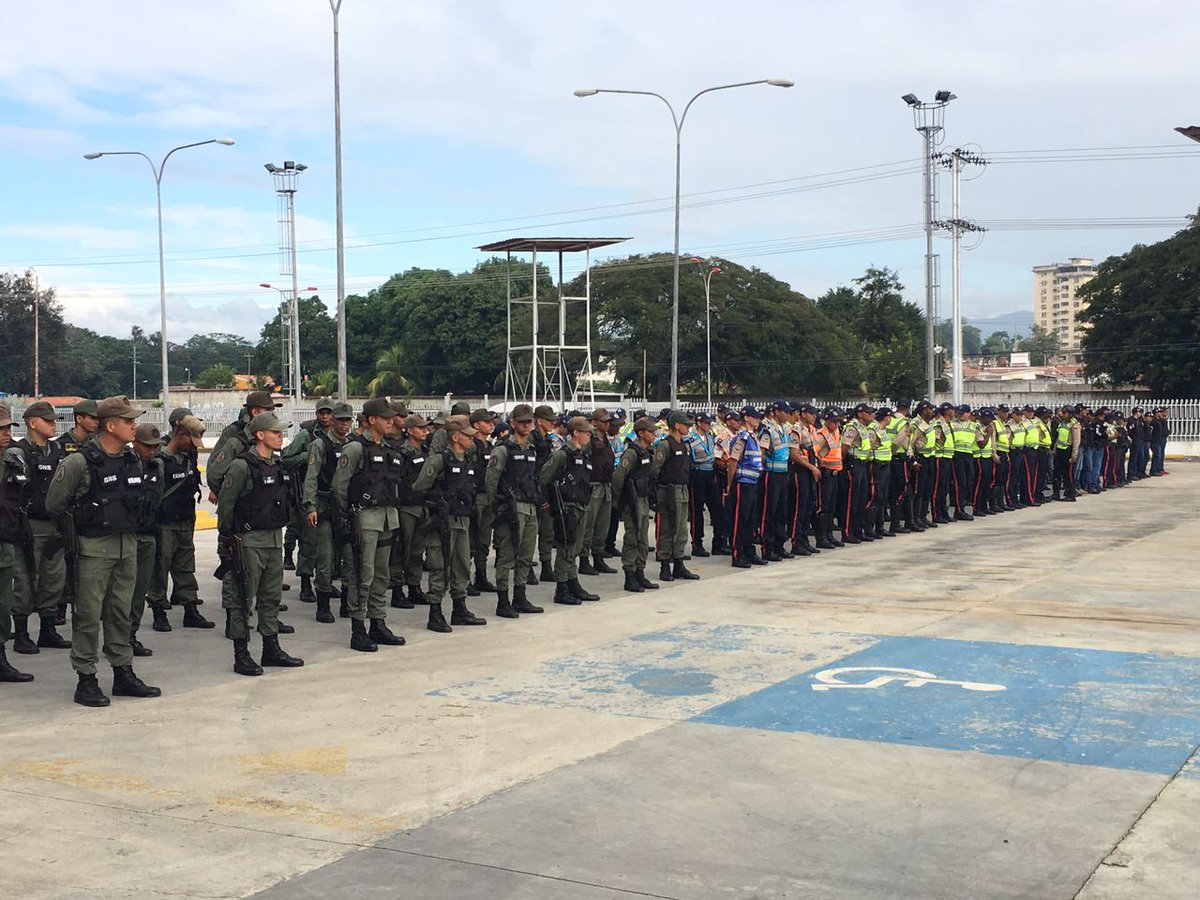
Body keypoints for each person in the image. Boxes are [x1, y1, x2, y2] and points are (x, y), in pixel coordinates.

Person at [45, 395, 161, 707]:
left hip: (127, 545)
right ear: (110, 425)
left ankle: (123, 673)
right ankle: (86, 678)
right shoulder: (78, 462)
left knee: (120, 613)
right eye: (128, 421)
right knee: (87, 615)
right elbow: (54, 503)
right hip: (93, 549)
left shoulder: (131, 459)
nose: (134, 425)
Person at [215, 412, 303, 676]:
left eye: (281, 432)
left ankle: (270, 648)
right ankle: (241, 654)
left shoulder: (277, 465)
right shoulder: (242, 466)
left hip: (274, 538)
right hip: (248, 540)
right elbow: (226, 506)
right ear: (260, 435)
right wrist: (228, 540)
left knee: (271, 597)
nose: (281, 436)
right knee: (242, 598)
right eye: (275, 432)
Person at [332, 397, 406, 652]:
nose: (391, 422)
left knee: (381, 576)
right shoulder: (355, 449)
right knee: (362, 576)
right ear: (371, 419)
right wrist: (348, 515)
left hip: (387, 518)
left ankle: (378, 622)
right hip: (364, 519)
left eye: (391, 418)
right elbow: (340, 486)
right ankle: (358, 628)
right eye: (386, 418)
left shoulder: (390, 449)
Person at [412, 415, 489, 630]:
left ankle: (459, 608)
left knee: (462, 566)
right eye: (467, 436)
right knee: (439, 567)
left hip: (462, 520)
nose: (471, 439)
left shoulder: (467, 460)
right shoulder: (439, 460)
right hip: (442, 523)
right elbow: (419, 487)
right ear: (455, 437)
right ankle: (435, 612)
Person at [11, 400, 71, 655]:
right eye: (48, 421)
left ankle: (47, 630)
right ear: (33, 423)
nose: (53, 425)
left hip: (55, 524)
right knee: (25, 581)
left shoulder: (58, 450)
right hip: (29, 525)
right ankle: (22, 634)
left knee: (53, 579)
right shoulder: (18, 452)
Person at [147, 411, 213, 633]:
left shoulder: (185, 459)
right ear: (180, 434)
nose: (193, 446)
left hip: (184, 521)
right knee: (160, 568)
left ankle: (190, 609)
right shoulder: (160, 460)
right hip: (164, 524)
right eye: (190, 440)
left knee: (186, 568)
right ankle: (158, 611)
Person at [484, 404, 543, 618]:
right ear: (513, 423)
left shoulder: (531, 449)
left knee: (526, 555)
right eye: (523, 422)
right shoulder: (502, 450)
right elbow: (491, 481)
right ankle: (503, 600)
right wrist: (498, 508)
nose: (527, 425)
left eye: (530, 422)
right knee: (507, 556)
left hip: (530, 506)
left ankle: (520, 596)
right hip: (511, 508)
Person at [303, 401, 354, 624]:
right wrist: (310, 506)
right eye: (340, 420)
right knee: (324, 558)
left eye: (347, 420)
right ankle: (323, 604)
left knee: (350, 558)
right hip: (324, 506)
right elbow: (311, 477)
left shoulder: (354, 445)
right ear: (332, 420)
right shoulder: (320, 445)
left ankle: (346, 602)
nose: (344, 424)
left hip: (347, 508)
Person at [539, 415, 599, 604]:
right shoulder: (562, 455)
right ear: (576, 433)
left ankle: (573, 583)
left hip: (581, 505)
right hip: (566, 507)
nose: (589, 435)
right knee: (566, 547)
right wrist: (548, 502)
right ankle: (562, 587)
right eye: (586, 432)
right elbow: (544, 478)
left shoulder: (583, 454)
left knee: (575, 547)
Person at [0, 404, 34, 684]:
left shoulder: (13, 461)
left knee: (3, 603)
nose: (5, 434)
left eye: (8, 429)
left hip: (5, 540)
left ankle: (0, 659)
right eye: (0, 429)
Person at [128, 424, 165, 658]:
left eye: (155, 447)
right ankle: (118, 637)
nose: (151, 451)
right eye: (147, 446)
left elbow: (158, 497)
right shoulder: (125, 464)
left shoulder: (156, 467)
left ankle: (131, 634)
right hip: (128, 536)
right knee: (122, 592)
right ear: (135, 444)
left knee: (140, 589)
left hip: (148, 535)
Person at [611, 416, 660, 593]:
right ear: (641, 433)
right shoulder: (632, 453)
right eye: (651, 431)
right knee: (632, 538)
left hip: (644, 498)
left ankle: (640, 572)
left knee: (643, 539)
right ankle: (629, 575)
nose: (654, 434)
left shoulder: (648, 452)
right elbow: (618, 477)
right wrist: (618, 499)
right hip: (632, 500)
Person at [654, 411, 699, 581]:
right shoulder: (665, 445)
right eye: (686, 425)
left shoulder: (685, 445)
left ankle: (678, 564)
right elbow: (656, 470)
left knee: (681, 530)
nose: (688, 427)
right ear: (676, 425)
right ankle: (665, 565)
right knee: (667, 529)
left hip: (682, 489)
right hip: (668, 491)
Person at [395, 413, 433, 609]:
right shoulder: (402, 453)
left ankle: (414, 587)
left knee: (418, 551)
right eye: (420, 427)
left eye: (425, 427)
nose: (425, 431)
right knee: (402, 549)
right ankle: (396, 589)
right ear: (410, 430)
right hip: (406, 507)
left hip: (422, 506)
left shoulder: (426, 451)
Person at [578, 408, 618, 577]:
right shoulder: (590, 440)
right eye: (603, 421)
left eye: (608, 421)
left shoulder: (607, 439)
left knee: (602, 525)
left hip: (605, 485)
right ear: (594, 422)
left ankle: (598, 557)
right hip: (593, 486)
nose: (607, 424)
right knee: (589, 525)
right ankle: (584, 559)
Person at [725, 406, 765, 567]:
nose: (758, 420)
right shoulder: (742, 437)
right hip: (742, 483)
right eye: (755, 417)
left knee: (751, 520)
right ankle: (737, 554)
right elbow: (733, 462)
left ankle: (749, 551)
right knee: (740, 520)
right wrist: (729, 484)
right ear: (746, 418)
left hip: (753, 483)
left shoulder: (753, 436)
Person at [468, 408, 501, 595]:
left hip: (487, 497)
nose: (491, 424)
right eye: (487, 422)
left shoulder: (488, 446)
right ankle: (464, 579)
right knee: (470, 542)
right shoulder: (471, 445)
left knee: (483, 540)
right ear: (476, 425)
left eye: (491, 422)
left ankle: (480, 575)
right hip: (474, 497)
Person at [686, 413, 726, 557]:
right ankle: (697, 544)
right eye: (707, 423)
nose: (709, 425)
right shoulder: (690, 438)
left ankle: (718, 543)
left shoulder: (710, 436)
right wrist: (714, 457)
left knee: (717, 508)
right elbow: (696, 458)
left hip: (711, 474)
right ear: (698, 423)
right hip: (697, 475)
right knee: (697, 511)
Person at [840, 403, 877, 544]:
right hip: (853, 465)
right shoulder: (852, 427)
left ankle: (857, 530)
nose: (871, 415)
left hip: (862, 466)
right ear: (860, 414)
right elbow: (844, 448)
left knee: (861, 500)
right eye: (868, 413)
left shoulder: (863, 428)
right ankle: (847, 532)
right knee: (851, 501)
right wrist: (845, 465)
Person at [531, 405, 558, 584]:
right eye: (549, 421)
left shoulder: (546, 440)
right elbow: (531, 472)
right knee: (530, 533)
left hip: (546, 490)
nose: (553, 423)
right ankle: (525, 569)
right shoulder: (532, 440)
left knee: (547, 531)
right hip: (534, 492)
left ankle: (546, 566)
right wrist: (539, 496)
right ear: (539, 421)